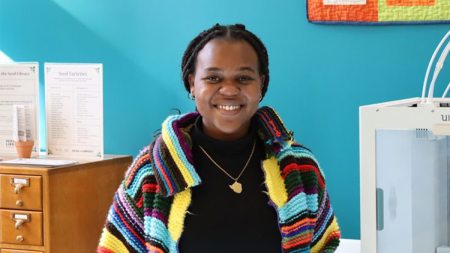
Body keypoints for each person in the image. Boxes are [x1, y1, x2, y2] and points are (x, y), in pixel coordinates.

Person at [97, 23, 340, 253]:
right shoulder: (151, 171)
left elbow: (324, 245)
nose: (230, 90)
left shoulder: (299, 167)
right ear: (192, 84)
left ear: (261, 84)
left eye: (244, 78)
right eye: (213, 78)